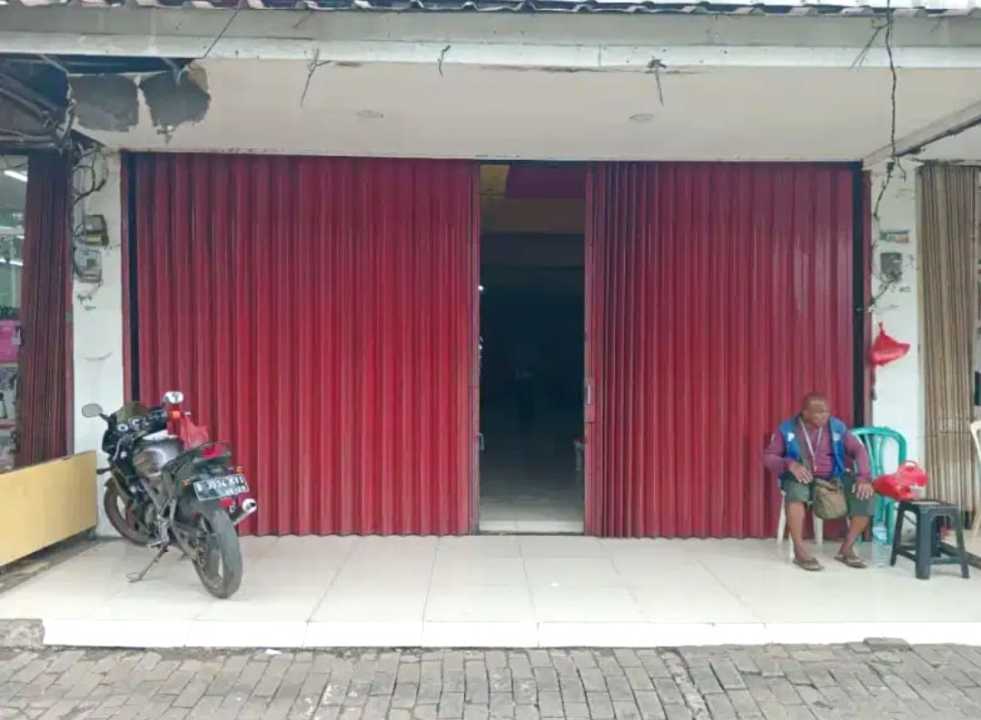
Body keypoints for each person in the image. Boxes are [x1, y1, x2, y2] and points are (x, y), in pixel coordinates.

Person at [763, 393, 875, 571]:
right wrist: (790, 464)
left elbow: (858, 450)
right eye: (819, 412)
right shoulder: (787, 429)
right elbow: (769, 457)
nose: (825, 416)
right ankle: (799, 551)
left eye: (827, 412)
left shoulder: (836, 427)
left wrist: (863, 477)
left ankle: (846, 548)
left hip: (833, 475)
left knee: (865, 494)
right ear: (805, 413)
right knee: (795, 493)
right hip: (802, 476)